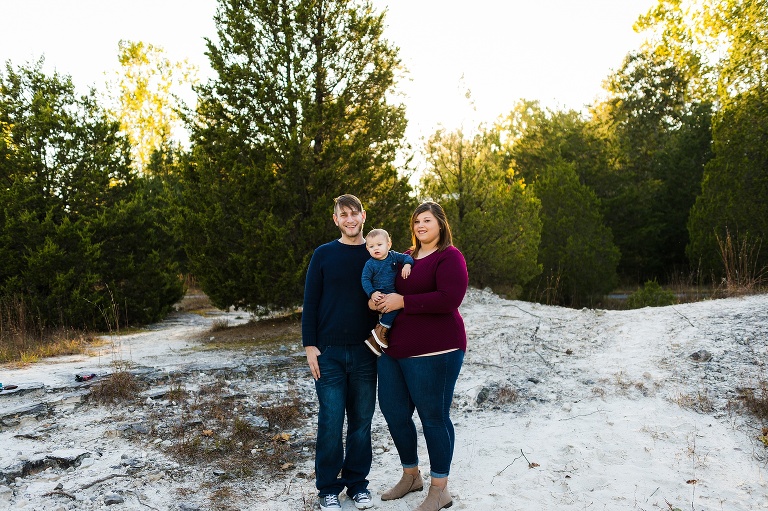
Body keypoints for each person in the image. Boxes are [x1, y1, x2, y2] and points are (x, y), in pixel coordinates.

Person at [371, 201, 468, 511]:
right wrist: (378, 298)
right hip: (395, 349)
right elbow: (388, 285)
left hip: (437, 350)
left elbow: (450, 298)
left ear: (440, 223)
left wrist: (404, 302)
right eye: (416, 221)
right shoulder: (405, 257)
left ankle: (440, 489)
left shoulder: (449, 257)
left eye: (427, 220)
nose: (421, 225)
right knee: (394, 411)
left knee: (434, 416)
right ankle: (411, 475)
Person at [302, 194, 379, 511]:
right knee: (331, 422)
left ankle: (358, 485)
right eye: (342, 215)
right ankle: (328, 489)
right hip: (329, 354)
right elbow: (311, 302)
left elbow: (401, 270)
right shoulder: (323, 254)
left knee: (361, 423)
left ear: (363, 216)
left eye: (354, 213)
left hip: (366, 352)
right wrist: (310, 346)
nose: (349, 219)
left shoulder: (376, 254)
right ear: (335, 219)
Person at [360, 228, 414, 356]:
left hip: (392, 292)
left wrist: (407, 265)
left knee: (395, 310)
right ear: (367, 249)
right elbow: (365, 279)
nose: (376, 248)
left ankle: (376, 336)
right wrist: (372, 293)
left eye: (379, 245)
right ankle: (380, 331)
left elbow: (408, 257)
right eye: (371, 246)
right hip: (379, 293)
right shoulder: (370, 264)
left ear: (388, 245)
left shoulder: (393, 256)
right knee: (392, 309)